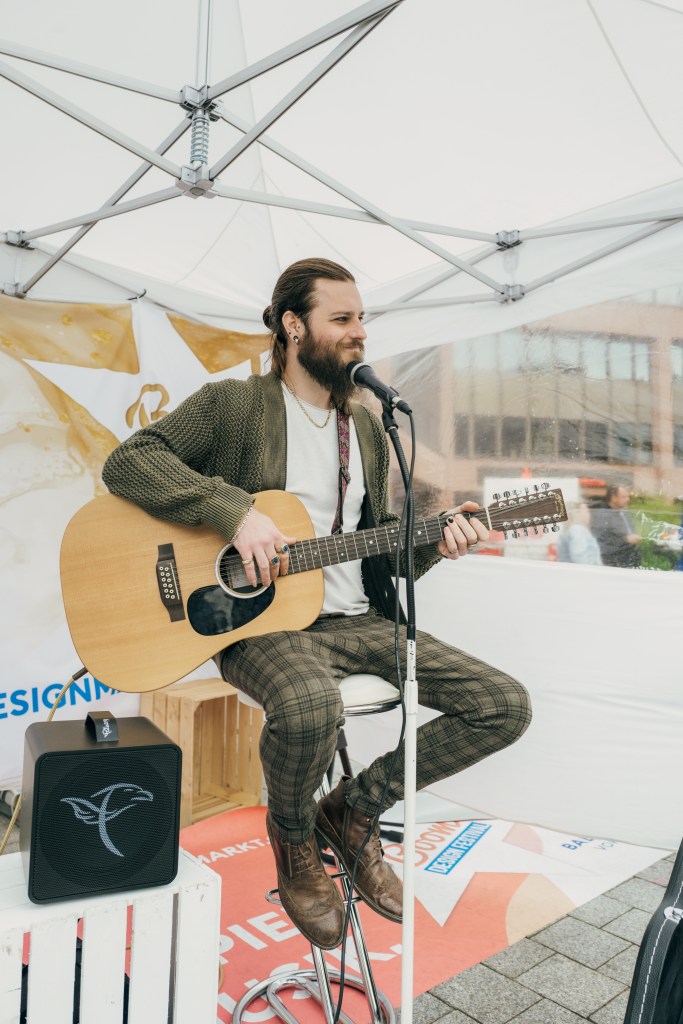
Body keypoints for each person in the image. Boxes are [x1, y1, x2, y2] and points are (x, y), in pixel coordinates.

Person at [102, 258, 532, 949]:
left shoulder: (365, 428)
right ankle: (293, 838)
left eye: (362, 318)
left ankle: (353, 811)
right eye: (342, 319)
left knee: (502, 705)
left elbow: (377, 553)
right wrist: (233, 512)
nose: (359, 332)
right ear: (293, 326)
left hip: (355, 620)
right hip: (256, 625)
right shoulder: (232, 406)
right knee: (309, 705)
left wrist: (436, 543)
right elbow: (128, 463)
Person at [591, 484, 642, 568]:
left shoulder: (624, 512)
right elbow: (602, 539)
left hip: (629, 560)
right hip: (614, 562)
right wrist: (625, 539)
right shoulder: (603, 515)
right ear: (614, 498)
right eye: (624, 497)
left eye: (628, 497)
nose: (628, 499)